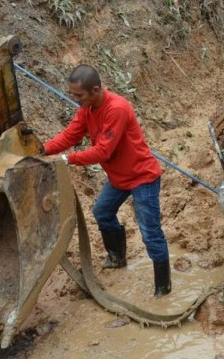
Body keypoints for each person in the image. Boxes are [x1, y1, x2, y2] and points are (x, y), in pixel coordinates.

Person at [44, 65, 171, 298]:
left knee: (150, 232)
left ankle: (163, 287)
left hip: (142, 177)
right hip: (119, 177)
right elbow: (71, 135)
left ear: (95, 90)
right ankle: (117, 256)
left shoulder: (116, 109)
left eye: (79, 95)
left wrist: (66, 159)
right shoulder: (87, 109)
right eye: (73, 95)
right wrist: (43, 150)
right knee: (102, 212)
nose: (75, 99)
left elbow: (103, 151)